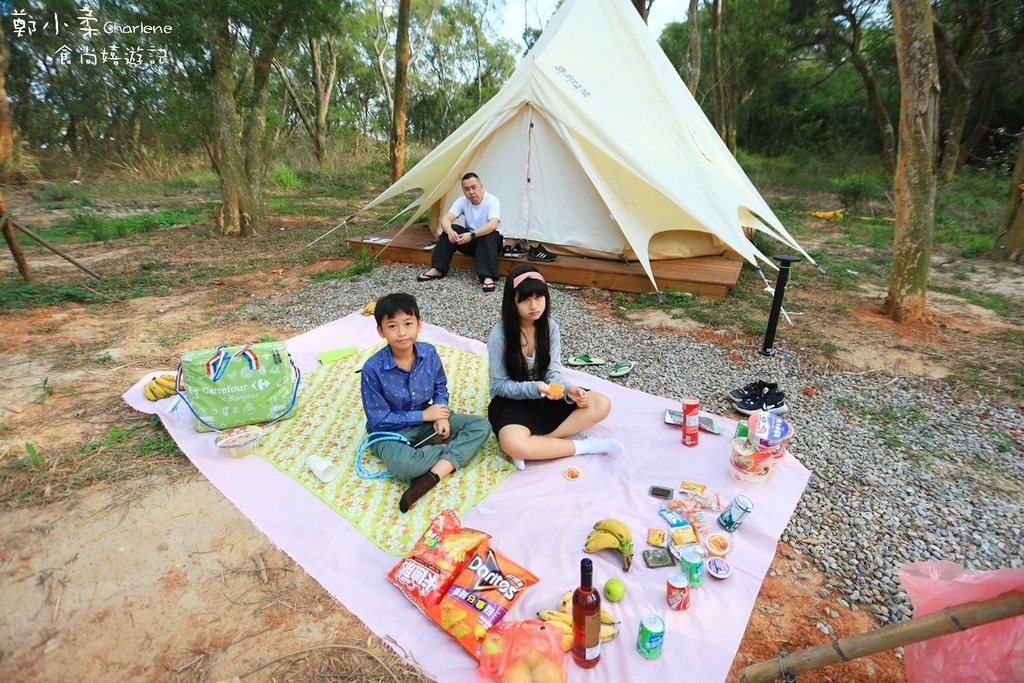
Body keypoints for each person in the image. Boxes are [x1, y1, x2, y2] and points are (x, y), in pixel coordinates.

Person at [360, 292, 492, 512]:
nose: (402, 333)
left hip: (426, 421)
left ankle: (431, 476)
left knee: (481, 426)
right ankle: (448, 453)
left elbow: (440, 386)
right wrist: (424, 416)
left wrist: (441, 415)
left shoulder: (429, 353)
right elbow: (378, 419)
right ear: (380, 331)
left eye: (408, 323)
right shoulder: (372, 369)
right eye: (392, 326)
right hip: (389, 432)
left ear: (419, 325)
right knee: (405, 465)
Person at [487, 265, 623, 469]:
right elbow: (499, 386)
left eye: (539, 297)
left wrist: (569, 390)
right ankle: (586, 446)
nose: (534, 306)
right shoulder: (500, 334)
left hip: (546, 395)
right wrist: (536, 388)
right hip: (511, 400)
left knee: (601, 404)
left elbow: (552, 373)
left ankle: (535, 445)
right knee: (513, 442)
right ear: (512, 302)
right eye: (525, 299)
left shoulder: (550, 327)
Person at [418, 172, 502, 292]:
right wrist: (450, 231)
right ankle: (438, 268)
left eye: (474, 187)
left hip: (492, 242)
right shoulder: (462, 201)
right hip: (472, 241)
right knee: (451, 229)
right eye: (467, 189)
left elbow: (493, 224)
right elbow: (446, 219)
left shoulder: (492, 201)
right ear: (463, 190)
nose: (471, 192)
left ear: (481, 186)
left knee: (487, 234)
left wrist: (472, 235)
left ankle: (487, 276)